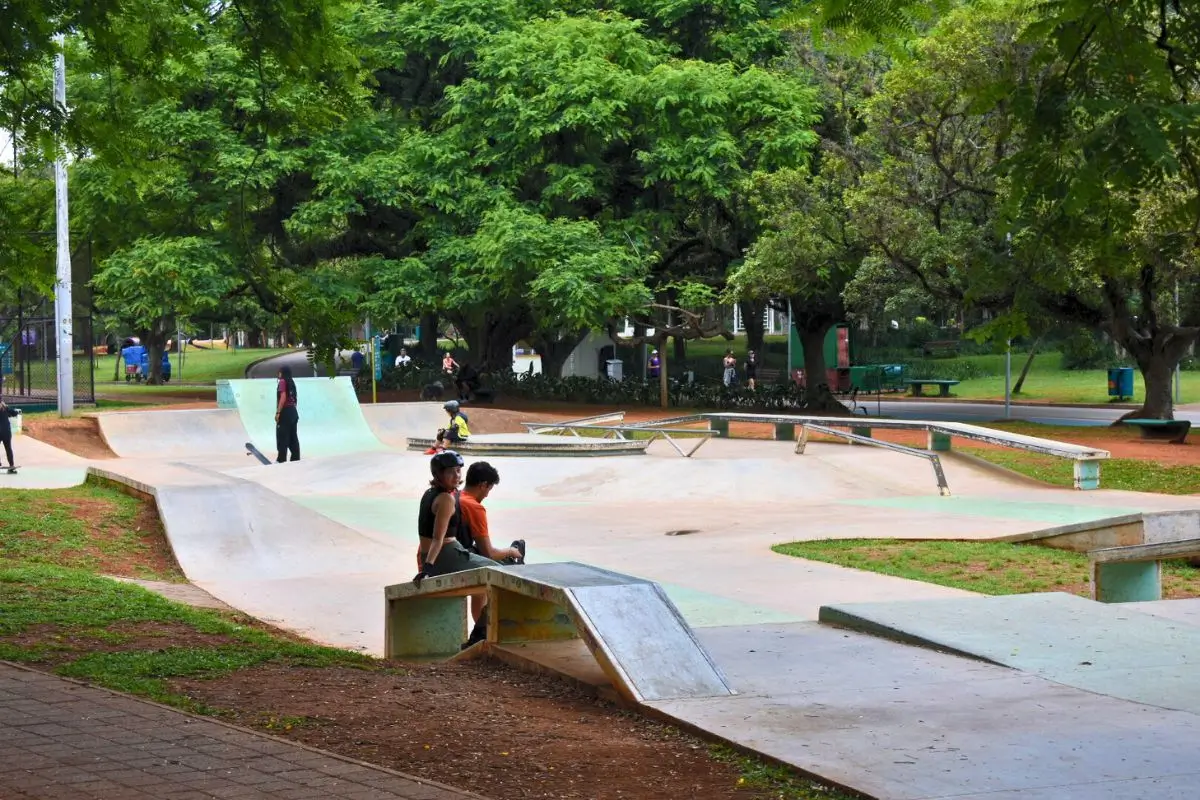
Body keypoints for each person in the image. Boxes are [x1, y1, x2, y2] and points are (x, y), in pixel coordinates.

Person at [414, 451, 496, 647]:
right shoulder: (446, 500)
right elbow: (437, 539)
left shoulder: (429, 493)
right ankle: (481, 632)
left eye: (459, 471)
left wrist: (426, 562)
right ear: (438, 474)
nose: (457, 476)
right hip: (447, 554)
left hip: (443, 553)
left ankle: (481, 630)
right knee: (500, 574)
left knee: (489, 576)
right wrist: (428, 568)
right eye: (451, 472)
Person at [457, 462, 525, 564]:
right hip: (459, 559)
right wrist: (510, 551)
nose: (486, 495)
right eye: (489, 489)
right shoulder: (474, 507)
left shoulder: (453, 495)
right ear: (483, 485)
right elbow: (489, 554)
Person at [275, 365, 300, 462]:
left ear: (282, 373)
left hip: (285, 412)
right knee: (293, 437)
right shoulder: (291, 382)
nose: (278, 374)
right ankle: (295, 459)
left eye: (279, 372)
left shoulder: (282, 381)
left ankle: (281, 460)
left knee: (282, 437)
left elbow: (283, 397)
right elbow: (294, 398)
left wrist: (278, 412)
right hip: (293, 412)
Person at [0, 401, 18, 472]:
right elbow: (14, 413)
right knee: (8, 449)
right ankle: (11, 465)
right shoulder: (5, 407)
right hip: (6, 432)